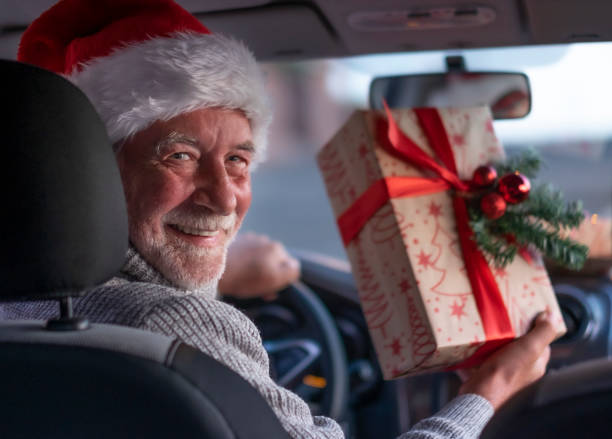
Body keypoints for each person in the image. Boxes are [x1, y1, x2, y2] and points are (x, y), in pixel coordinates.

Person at [4, 0, 557, 437]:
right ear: (95, 169)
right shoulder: (175, 329)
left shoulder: (21, 313)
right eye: (179, 156)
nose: (224, 199)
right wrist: (490, 394)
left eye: (239, 161)